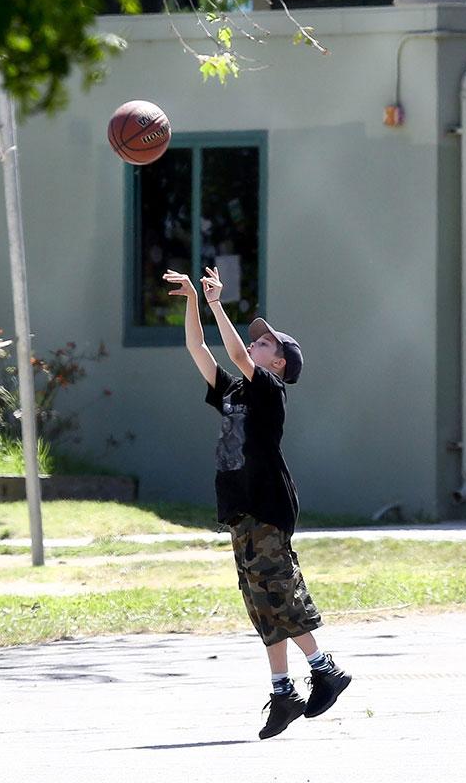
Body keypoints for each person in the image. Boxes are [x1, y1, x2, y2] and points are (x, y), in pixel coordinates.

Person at [162, 266, 351, 740]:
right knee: (260, 602)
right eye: (257, 341)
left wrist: (216, 303)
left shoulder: (271, 390)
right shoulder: (232, 390)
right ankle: (283, 691)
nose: (254, 346)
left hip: (267, 504)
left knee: (280, 595)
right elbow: (198, 350)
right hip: (240, 506)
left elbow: (228, 348)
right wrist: (191, 301)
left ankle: (326, 670)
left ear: (281, 362)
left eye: (265, 344)